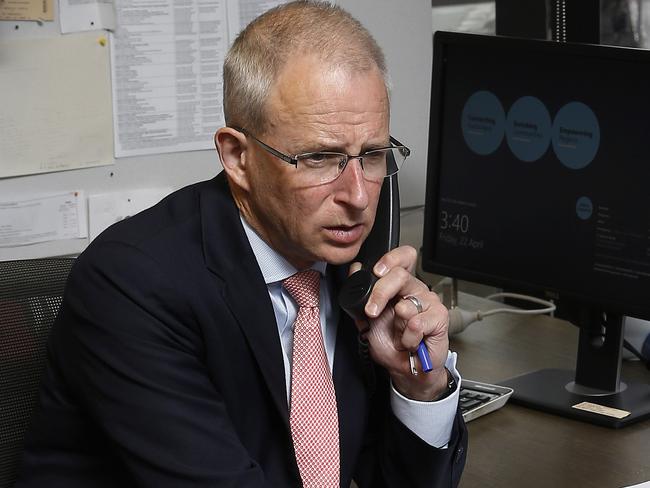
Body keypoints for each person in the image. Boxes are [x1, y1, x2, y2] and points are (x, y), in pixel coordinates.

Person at [16, 2, 467, 486]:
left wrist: (419, 383)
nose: (358, 196)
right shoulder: (132, 285)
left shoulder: (354, 271)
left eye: (372, 155)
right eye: (319, 159)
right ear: (237, 156)